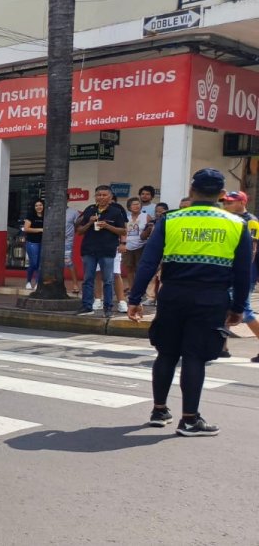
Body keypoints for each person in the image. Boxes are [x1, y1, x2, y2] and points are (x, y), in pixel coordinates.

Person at [128, 168, 251, 436]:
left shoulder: (170, 219)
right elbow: (243, 272)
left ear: (192, 190)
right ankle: (190, 419)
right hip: (211, 298)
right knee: (194, 356)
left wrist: (135, 298)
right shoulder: (236, 224)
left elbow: (149, 262)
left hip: (173, 295)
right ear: (220, 195)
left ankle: (159, 410)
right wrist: (238, 307)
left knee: (166, 353)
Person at [76, 186, 128, 318]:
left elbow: (123, 231)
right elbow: (80, 231)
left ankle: (108, 308)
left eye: (104, 195)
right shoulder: (90, 210)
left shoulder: (116, 212)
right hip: (89, 249)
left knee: (108, 280)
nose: (101, 197)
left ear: (110, 197)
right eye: (98, 195)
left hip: (107, 250)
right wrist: (89, 222)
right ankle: (87, 306)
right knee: (88, 279)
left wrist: (107, 226)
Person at [219, 191, 259, 358]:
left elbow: (252, 250)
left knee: (246, 311)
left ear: (242, 202)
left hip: (245, 272)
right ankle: (222, 348)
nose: (226, 205)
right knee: (225, 308)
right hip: (230, 270)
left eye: (230, 202)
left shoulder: (252, 222)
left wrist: (242, 273)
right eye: (225, 202)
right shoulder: (227, 219)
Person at [120, 197, 150, 310]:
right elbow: (123, 232)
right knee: (129, 269)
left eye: (138, 204)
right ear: (129, 207)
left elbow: (150, 230)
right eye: (133, 204)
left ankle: (141, 292)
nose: (136, 206)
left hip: (142, 246)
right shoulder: (126, 218)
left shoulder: (145, 216)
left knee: (140, 270)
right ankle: (133, 291)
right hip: (128, 246)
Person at [22, 199, 45, 291]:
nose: (39, 207)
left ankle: (37, 283)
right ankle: (28, 281)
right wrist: (40, 230)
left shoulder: (46, 216)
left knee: (40, 264)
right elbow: (26, 228)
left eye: (40, 205)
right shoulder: (30, 216)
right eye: (36, 205)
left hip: (42, 243)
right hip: (32, 242)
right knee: (34, 263)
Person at [64, 204, 82, 294]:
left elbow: (78, 225)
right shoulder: (51, 211)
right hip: (53, 242)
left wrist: (70, 234)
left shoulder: (73, 212)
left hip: (67, 242)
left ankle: (75, 284)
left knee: (69, 262)